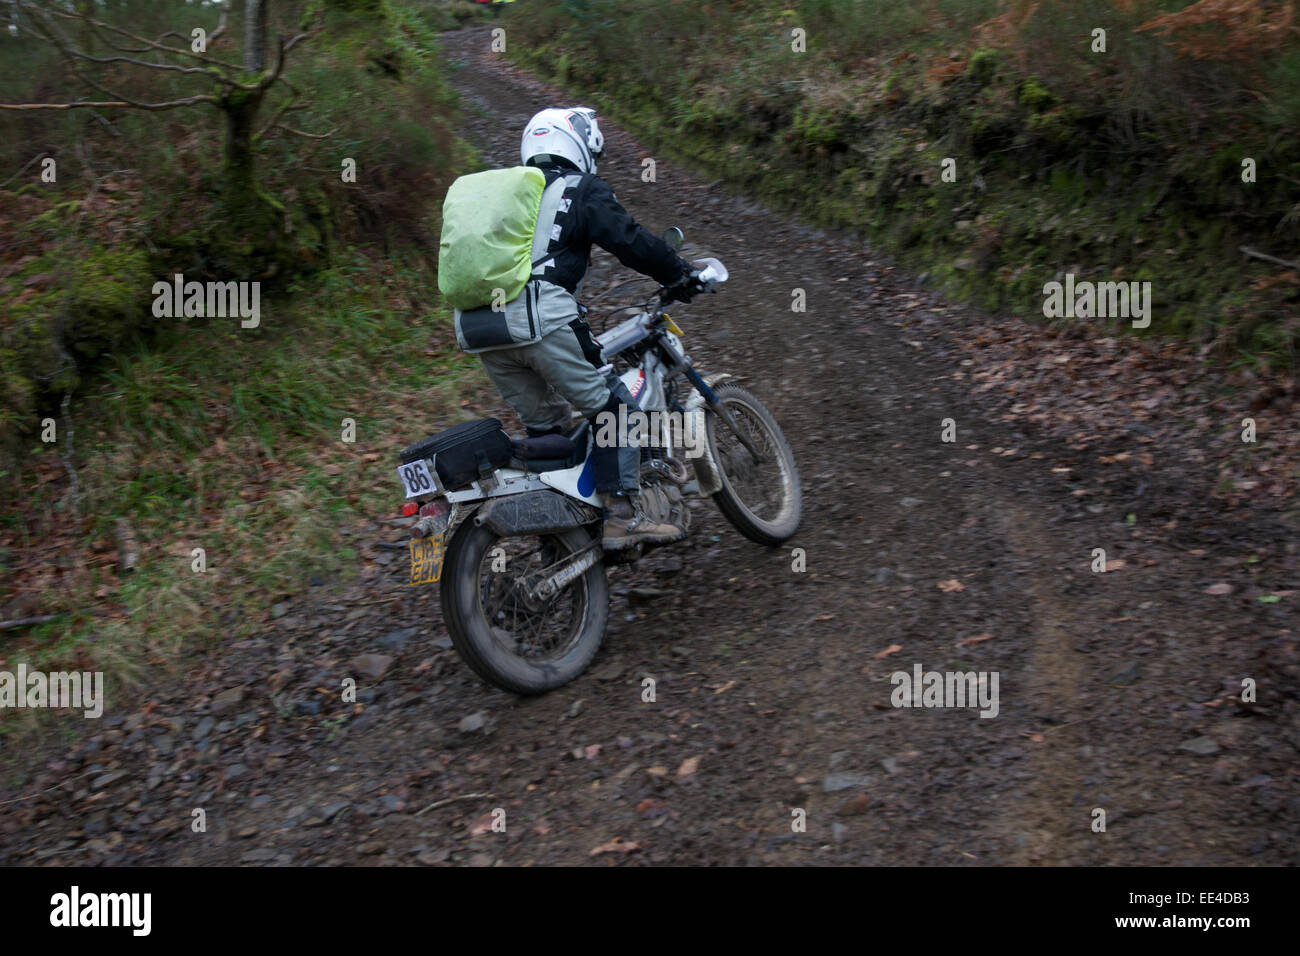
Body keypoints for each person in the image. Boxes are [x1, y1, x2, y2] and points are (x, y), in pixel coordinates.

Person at [456, 106, 705, 549]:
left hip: (481, 330)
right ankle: (622, 516)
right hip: (540, 320)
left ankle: (557, 535)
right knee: (616, 410)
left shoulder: (513, 200)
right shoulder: (578, 187)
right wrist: (679, 273)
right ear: (577, 144)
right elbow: (630, 241)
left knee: (548, 426)